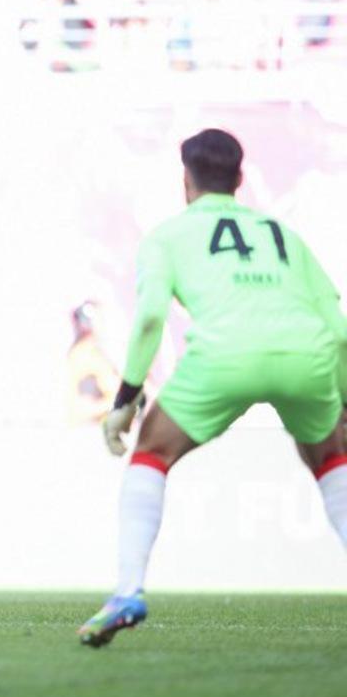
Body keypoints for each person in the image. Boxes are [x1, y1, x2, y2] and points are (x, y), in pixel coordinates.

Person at [79, 128, 347, 647]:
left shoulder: (167, 236)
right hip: (305, 356)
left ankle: (129, 590)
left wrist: (127, 400)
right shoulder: (282, 234)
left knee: (151, 453)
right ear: (241, 180)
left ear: (186, 180)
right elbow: (337, 327)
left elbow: (152, 316)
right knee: (332, 459)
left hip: (225, 356)